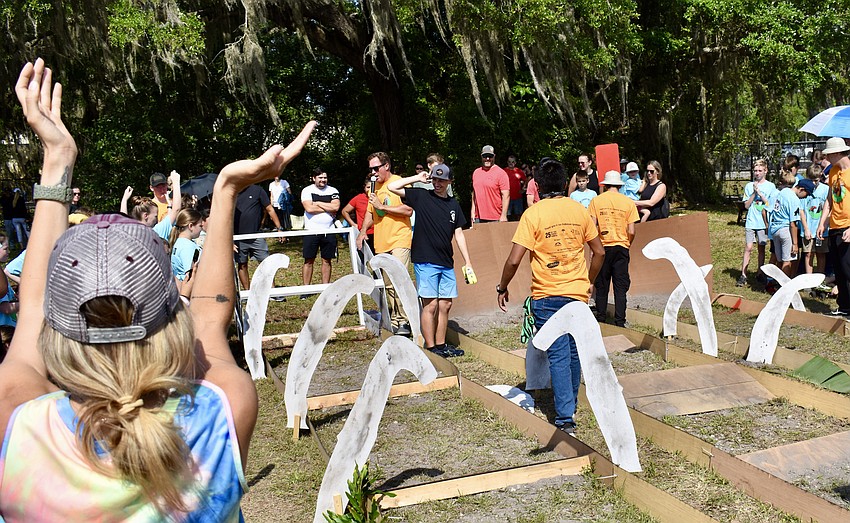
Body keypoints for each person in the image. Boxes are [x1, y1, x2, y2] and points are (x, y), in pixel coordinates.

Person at [0, 57, 316, 521]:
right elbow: (210, 319)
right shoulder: (218, 414)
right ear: (173, 323)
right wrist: (226, 189)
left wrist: (57, 159)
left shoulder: (16, 422)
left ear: (57, 334)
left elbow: (30, 308)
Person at [496, 158, 605, 435]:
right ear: (563, 182)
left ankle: (565, 417)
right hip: (577, 293)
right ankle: (572, 402)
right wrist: (588, 282)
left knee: (557, 353)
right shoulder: (579, 211)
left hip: (547, 294)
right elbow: (600, 252)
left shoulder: (533, 214)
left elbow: (513, 260)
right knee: (572, 350)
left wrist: (502, 286)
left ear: (538, 185)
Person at [388, 163, 472, 358]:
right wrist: (417, 178)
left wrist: (467, 261)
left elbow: (459, 234)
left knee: (445, 305)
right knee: (431, 305)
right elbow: (393, 187)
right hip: (425, 260)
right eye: (435, 179)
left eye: (442, 180)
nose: (437, 183)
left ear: (449, 182)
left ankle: (441, 346)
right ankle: (431, 347)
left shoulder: (453, 205)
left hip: (446, 261)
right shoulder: (421, 196)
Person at [357, 152, 413, 336]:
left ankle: (406, 320)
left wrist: (383, 207)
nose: (373, 172)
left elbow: (408, 209)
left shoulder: (400, 183)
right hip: (382, 242)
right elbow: (370, 213)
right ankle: (397, 319)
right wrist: (363, 232)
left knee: (400, 279)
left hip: (400, 238)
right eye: (370, 169)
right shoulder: (374, 188)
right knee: (389, 284)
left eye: (376, 168)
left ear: (386, 166)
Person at [588, 171, 639, 327]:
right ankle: (620, 321)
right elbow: (631, 231)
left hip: (603, 247)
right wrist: (626, 244)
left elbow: (592, 228)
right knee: (620, 286)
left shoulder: (596, 201)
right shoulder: (628, 202)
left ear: (605, 185)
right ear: (619, 185)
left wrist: (593, 249)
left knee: (602, 285)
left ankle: (602, 319)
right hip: (621, 247)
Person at [817, 137, 850, 316]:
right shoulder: (834, 171)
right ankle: (844, 307)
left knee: (848, 269)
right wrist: (823, 222)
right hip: (835, 226)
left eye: (829, 155)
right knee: (839, 270)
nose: (826, 158)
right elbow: (830, 198)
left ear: (838, 153)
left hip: (848, 226)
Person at [234, 182, 283, 290]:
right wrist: (229, 239)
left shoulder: (257, 190)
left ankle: (271, 291)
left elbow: (270, 209)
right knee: (242, 264)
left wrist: (280, 229)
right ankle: (247, 292)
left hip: (256, 235)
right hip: (237, 237)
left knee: (266, 263)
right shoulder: (231, 192)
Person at [736, 159, 775, 287]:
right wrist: (753, 193)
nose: (757, 173)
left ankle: (760, 272)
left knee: (761, 247)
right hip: (751, 221)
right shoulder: (749, 186)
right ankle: (743, 274)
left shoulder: (770, 187)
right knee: (748, 247)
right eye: (755, 171)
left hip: (763, 222)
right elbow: (746, 206)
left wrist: (760, 194)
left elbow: (770, 204)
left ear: (765, 171)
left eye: (760, 171)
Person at [301, 167, 340, 287]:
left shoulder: (333, 190)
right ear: (314, 178)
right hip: (311, 231)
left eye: (325, 177)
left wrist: (317, 203)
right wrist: (327, 208)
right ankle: (306, 288)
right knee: (308, 260)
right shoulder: (307, 190)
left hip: (329, 231)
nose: (323, 180)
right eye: (320, 177)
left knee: (327, 260)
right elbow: (309, 209)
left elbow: (336, 207)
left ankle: (325, 287)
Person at [767, 178, 812, 277]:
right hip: (785, 231)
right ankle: (784, 287)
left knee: (779, 260)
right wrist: (795, 244)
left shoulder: (783, 191)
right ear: (801, 189)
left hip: (775, 229)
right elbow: (793, 224)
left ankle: (776, 285)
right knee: (787, 261)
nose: (806, 197)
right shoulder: (794, 199)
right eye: (807, 194)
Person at [470, 145, 509, 224]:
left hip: (496, 218)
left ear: (494, 156)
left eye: (490, 156)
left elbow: (506, 196)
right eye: (485, 156)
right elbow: (474, 194)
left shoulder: (501, 173)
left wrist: (504, 215)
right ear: (481, 156)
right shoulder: (476, 172)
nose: (487, 159)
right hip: (478, 218)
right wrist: (472, 211)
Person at [802, 164, 829, 276]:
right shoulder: (804, 189)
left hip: (821, 228)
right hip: (808, 228)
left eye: (816, 180)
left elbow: (828, 208)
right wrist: (806, 229)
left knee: (821, 254)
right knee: (808, 254)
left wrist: (823, 225)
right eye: (811, 180)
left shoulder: (825, 189)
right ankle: (809, 280)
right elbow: (801, 210)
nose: (814, 183)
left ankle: (820, 279)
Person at [169, 208, 204, 292]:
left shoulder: (179, 242)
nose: (201, 229)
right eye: (200, 226)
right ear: (191, 226)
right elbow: (191, 275)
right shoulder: (187, 246)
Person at [341, 178, 375, 253]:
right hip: (363, 234)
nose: (370, 190)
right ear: (364, 188)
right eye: (368, 187)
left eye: (372, 187)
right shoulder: (358, 198)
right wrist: (353, 224)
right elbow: (344, 211)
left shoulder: (378, 198)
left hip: (378, 232)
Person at [504, 155, 527, 220]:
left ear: (515, 163)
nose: (511, 163)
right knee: (507, 215)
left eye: (513, 162)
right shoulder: (504, 171)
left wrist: (523, 189)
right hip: (507, 197)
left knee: (518, 215)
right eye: (509, 162)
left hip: (518, 197)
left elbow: (526, 180)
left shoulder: (519, 171)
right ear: (507, 162)